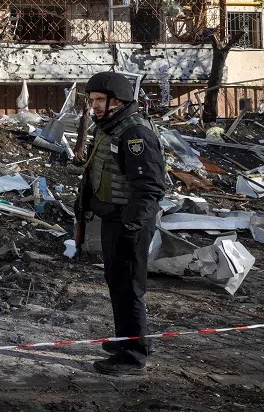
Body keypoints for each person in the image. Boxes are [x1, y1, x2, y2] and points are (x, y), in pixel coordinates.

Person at [79, 71, 166, 376]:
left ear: (118, 100)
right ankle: (128, 338)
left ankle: (133, 355)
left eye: (100, 100)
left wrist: (131, 227)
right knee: (118, 283)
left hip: (129, 223)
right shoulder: (111, 128)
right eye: (92, 100)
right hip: (115, 218)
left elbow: (151, 187)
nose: (95, 106)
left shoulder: (134, 133)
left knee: (129, 287)